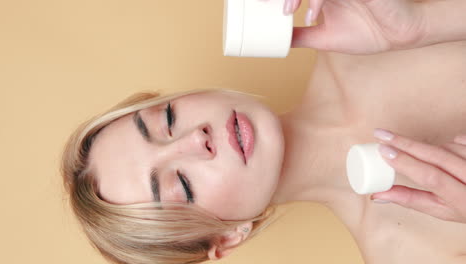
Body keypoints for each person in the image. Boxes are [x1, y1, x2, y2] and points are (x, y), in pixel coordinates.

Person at [61, 0, 466, 263]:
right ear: (226, 237)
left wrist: (424, 24)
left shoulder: (371, 15)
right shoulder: (410, 254)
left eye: (166, 120)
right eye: (182, 185)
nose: (194, 139)